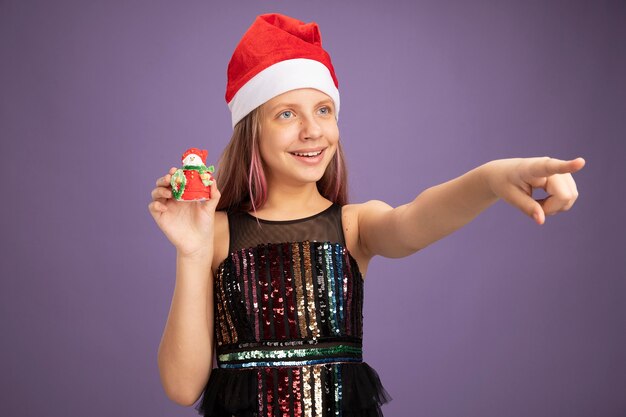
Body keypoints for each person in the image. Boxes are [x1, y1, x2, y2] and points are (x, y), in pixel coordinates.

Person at [148, 13, 585, 417]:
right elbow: (183, 388)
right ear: (251, 130)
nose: (312, 130)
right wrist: (190, 252)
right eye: (286, 114)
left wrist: (493, 178)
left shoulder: (355, 226)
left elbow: (417, 218)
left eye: (324, 110)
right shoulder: (217, 235)